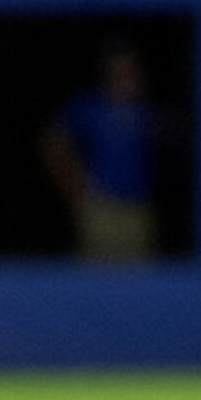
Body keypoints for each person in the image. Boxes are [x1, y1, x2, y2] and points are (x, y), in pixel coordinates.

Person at [42, 41, 157, 262]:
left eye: (132, 69)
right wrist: (76, 188)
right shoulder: (90, 106)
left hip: (138, 209)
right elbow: (52, 141)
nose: (128, 75)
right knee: (100, 279)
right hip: (101, 209)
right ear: (110, 72)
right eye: (121, 69)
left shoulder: (145, 109)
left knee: (139, 284)